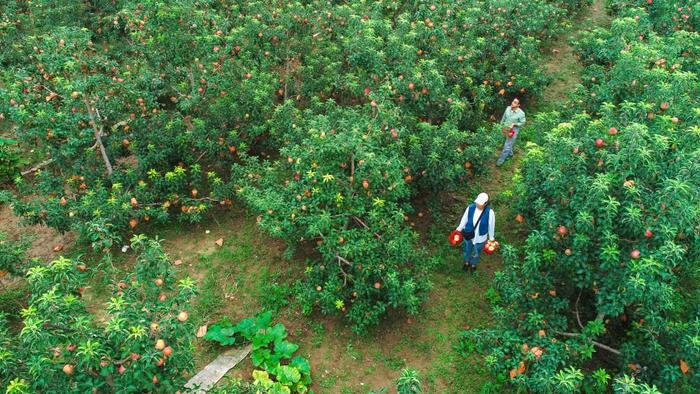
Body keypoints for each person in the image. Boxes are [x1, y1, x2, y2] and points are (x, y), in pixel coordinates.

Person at [456, 192, 495, 274]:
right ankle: (466, 262)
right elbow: (464, 220)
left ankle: (473, 264)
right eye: (477, 203)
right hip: (468, 234)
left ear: (485, 203)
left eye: (480, 204)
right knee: (467, 249)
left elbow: (491, 226)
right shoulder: (470, 208)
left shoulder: (490, 213)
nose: (478, 205)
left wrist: (491, 238)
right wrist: (458, 230)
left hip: (480, 237)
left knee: (477, 251)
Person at [497, 98, 526, 166]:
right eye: (513, 101)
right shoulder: (508, 108)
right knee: (505, 141)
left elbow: (523, 123)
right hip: (505, 127)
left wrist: (515, 124)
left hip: (513, 130)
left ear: (518, 105)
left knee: (506, 145)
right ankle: (510, 153)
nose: (513, 103)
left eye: (515, 102)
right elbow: (503, 118)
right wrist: (500, 126)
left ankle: (500, 160)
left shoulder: (521, 113)